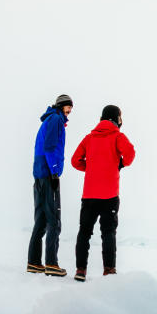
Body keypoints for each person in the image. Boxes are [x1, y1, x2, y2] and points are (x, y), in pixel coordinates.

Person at [71, 105, 136, 281]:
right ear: (116, 118)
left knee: (84, 232)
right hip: (109, 196)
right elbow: (130, 154)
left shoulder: (89, 138)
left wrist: (91, 169)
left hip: (89, 195)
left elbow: (75, 161)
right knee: (108, 233)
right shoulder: (118, 137)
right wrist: (120, 164)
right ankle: (109, 270)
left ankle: (80, 270)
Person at [28, 94, 73, 276]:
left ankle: (34, 262)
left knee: (41, 220)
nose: (70, 111)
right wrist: (54, 172)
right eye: (68, 107)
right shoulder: (55, 119)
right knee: (54, 219)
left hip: (39, 175)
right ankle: (51, 264)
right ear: (61, 106)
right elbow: (50, 147)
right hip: (48, 175)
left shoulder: (48, 120)